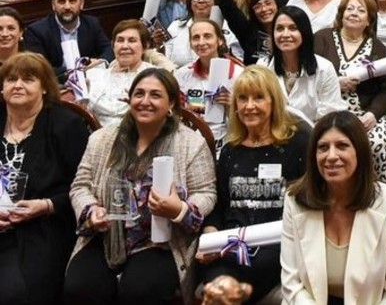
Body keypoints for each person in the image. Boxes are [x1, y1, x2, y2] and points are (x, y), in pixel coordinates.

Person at [65, 68, 217, 305]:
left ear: (171, 104)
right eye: (139, 94)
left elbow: (206, 192)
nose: (145, 101)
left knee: (140, 291)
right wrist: (91, 211)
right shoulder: (102, 139)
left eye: (155, 95)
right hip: (107, 235)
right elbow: (81, 186)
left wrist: (179, 210)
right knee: (81, 288)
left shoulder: (191, 143)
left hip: (162, 240)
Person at [197, 66, 309, 304]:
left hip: (278, 245)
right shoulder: (230, 151)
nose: (249, 106)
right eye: (242, 98)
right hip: (229, 246)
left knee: (248, 274)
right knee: (215, 283)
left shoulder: (298, 144)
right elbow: (220, 206)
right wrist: (210, 237)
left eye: (258, 98)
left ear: (273, 101)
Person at [281, 111, 386, 304]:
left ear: (360, 152)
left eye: (342, 146)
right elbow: (292, 284)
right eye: (323, 148)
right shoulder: (295, 200)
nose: (331, 156)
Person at [0, 53, 90, 304]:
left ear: (44, 88)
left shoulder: (67, 125)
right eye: (11, 79)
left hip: (44, 224)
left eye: (28, 79)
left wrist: (47, 205)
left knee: (13, 293)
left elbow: (84, 188)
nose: (18, 85)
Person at [314, 0, 386, 184]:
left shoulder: (377, 47)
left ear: (369, 20)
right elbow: (310, 77)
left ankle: (381, 191)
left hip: (365, 114)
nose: (354, 13)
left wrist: (373, 114)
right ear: (342, 14)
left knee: (377, 143)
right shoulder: (322, 38)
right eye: (350, 9)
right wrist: (336, 82)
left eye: (361, 11)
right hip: (328, 110)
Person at [264, 6, 347, 126]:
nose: (285, 34)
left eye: (293, 28)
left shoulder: (324, 68)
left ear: (304, 32)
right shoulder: (263, 66)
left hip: (313, 134)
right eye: (280, 29)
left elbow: (329, 116)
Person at [174, 19, 244, 152]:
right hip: (193, 146)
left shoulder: (239, 74)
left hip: (231, 145)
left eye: (207, 36)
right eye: (196, 38)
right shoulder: (181, 75)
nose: (201, 42)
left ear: (220, 40)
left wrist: (233, 106)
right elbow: (177, 115)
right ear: (190, 44)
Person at [24, 0, 113, 78]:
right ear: (53, 5)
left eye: (72, 1)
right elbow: (37, 67)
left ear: (81, 4)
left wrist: (101, 62)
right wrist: (77, 71)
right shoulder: (37, 31)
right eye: (61, 2)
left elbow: (108, 49)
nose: (67, 7)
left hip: (90, 78)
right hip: (56, 82)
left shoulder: (91, 23)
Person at [84, 20, 155, 127]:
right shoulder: (95, 75)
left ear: (145, 46)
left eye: (132, 40)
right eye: (120, 40)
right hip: (95, 133)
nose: (125, 46)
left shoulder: (154, 77)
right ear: (113, 45)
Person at [164, 0, 243, 67]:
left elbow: (238, 61)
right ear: (190, 1)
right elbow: (165, 61)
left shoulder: (229, 27)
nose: (201, 1)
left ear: (215, 1)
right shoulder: (175, 27)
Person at [215, 0, 279, 65]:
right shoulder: (248, 32)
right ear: (253, 12)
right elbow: (227, 6)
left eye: (268, 3)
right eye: (257, 6)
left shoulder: (288, 29)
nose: (264, 9)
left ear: (277, 5)